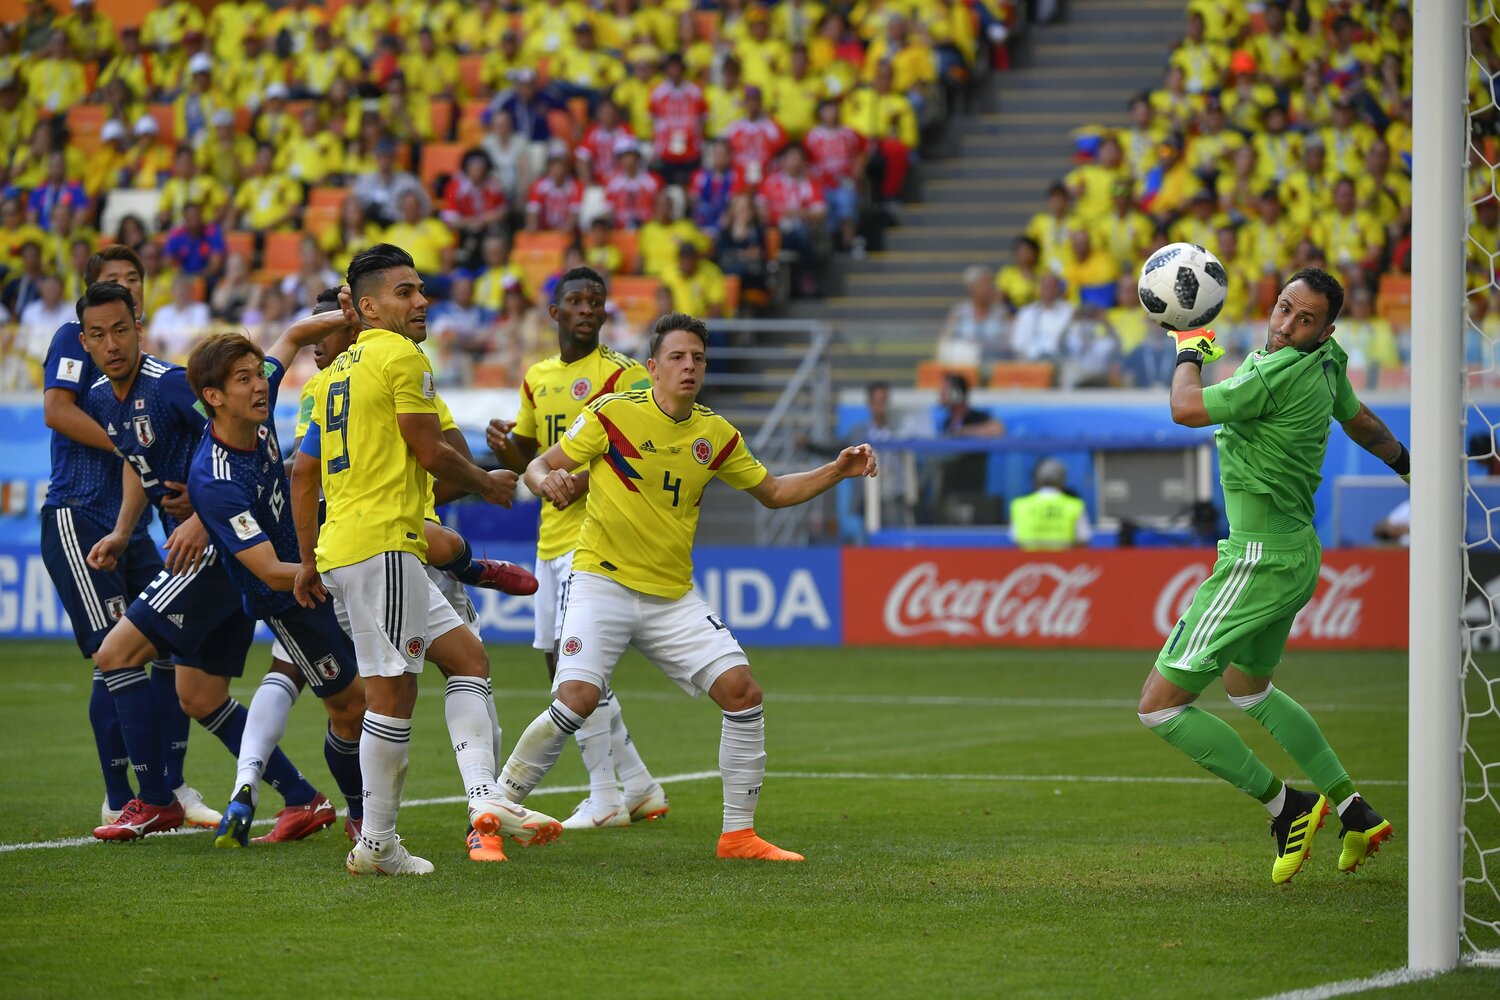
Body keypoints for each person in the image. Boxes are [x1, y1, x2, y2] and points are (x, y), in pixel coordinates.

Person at [495, 312, 879, 862]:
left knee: (743, 693)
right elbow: (540, 465)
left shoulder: (715, 433)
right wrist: (545, 479)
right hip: (601, 581)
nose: (689, 366)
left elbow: (773, 491)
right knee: (575, 698)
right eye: (677, 356)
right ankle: (493, 808)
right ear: (652, 367)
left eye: (698, 357)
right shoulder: (612, 414)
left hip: (671, 595)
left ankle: (738, 836)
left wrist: (836, 471)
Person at [291, 245, 560, 875]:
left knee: (467, 656)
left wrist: (308, 558)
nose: (421, 301)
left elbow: (304, 472)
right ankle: (378, 843)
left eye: (420, 290)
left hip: (364, 547)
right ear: (367, 306)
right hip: (380, 545)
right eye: (405, 292)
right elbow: (429, 446)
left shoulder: (331, 376)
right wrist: (490, 484)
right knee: (392, 694)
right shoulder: (401, 355)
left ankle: (484, 798)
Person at [1138, 268, 1407, 884]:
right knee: (1249, 689)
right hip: (1295, 556)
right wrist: (1409, 467)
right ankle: (1353, 808)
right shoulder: (1329, 363)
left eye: (1304, 319)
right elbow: (1363, 423)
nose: (1286, 326)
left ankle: (1289, 808)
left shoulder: (1270, 373)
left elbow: (1184, 408)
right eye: (1283, 308)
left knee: (1159, 708)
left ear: (1326, 329)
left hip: (1256, 559)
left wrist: (1187, 346)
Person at [76, 281, 324, 843]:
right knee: (200, 697)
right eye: (98, 335)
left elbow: (223, 442)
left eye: (121, 329)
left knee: (115, 654)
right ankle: (303, 798)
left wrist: (200, 515)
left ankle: (155, 800)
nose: (112, 344)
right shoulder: (97, 398)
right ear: (85, 342)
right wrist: (121, 530)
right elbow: (139, 464)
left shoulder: (170, 388)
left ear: (140, 327)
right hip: (225, 550)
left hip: (216, 550)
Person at [175, 319, 372, 848]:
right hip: (290, 598)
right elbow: (266, 570)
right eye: (244, 379)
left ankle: (270, 793)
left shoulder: (253, 409)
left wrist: (351, 317)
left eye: (257, 374)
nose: (260, 384)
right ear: (214, 397)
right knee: (353, 705)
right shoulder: (215, 480)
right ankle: (359, 814)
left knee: (350, 689)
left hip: (315, 564)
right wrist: (342, 567)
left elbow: (290, 336)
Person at [486, 266, 669, 831]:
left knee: (574, 671)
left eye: (596, 301)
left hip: (598, 538)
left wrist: (577, 482)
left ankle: (605, 795)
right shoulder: (537, 377)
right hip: (551, 536)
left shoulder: (625, 374)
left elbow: (639, 446)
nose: (587, 309)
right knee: (557, 664)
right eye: (576, 301)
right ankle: (638, 785)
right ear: (555, 313)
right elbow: (533, 460)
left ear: (605, 313)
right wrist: (509, 450)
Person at [39, 246, 213, 831]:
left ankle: (171, 786)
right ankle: (123, 795)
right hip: (80, 513)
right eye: (111, 282)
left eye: (133, 281)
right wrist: (127, 447)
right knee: (114, 656)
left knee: (165, 649)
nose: (125, 288)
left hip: (133, 526)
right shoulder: (74, 338)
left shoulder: (155, 371)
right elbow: (56, 410)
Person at [1009, 458, 1090, 550]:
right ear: (1062, 480)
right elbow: (1083, 542)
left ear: (1036, 479)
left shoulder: (1019, 506)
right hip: (1064, 562)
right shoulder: (1075, 506)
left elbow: (1016, 542)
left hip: (1029, 563)